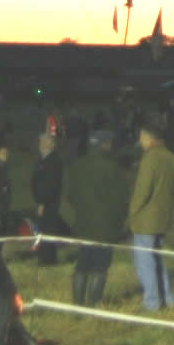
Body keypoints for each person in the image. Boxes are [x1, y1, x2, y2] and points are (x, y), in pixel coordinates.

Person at [62, 130, 130, 306]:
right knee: (100, 266)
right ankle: (93, 304)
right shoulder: (112, 167)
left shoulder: (78, 165)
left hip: (83, 223)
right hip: (106, 226)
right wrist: (120, 220)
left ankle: (78, 303)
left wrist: (82, 211)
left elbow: (70, 195)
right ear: (105, 145)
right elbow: (121, 199)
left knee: (82, 264)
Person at [128, 120, 174, 311]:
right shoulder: (172, 157)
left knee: (145, 263)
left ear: (149, 138)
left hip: (146, 219)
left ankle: (152, 303)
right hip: (163, 216)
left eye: (141, 137)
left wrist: (132, 213)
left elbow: (142, 190)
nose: (140, 141)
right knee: (157, 260)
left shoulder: (150, 159)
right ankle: (168, 298)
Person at [30, 132, 67, 265]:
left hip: (49, 203)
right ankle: (43, 256)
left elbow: (51, 185)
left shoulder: (53, 161)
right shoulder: (41, 159)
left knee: (48, 230)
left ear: (50, 144)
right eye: (40, 142)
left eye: (43, 142)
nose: (40, 145)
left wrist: (42, 203)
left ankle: (48, 260)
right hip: (41, 201)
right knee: (42, 230)